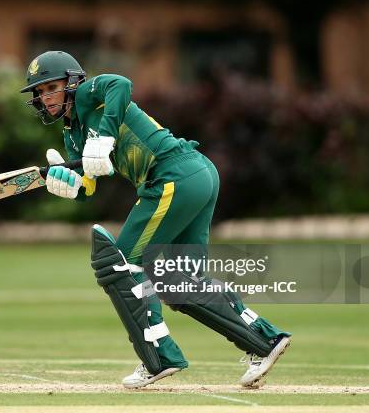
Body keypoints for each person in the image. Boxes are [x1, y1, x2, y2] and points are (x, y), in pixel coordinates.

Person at [20, 51, 291, 389]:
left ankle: (158, 357)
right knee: (180, 283)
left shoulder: (91, 94)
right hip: (197, 175)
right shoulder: (72, 136)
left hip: (171, 174)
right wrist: (69, 183)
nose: (46, 98)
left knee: (117, 264)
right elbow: (89, 181)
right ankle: (265, 342)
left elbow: (121, 84)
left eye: (52, 88)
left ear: (72, 82)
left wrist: (104, 137)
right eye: (40, 92)